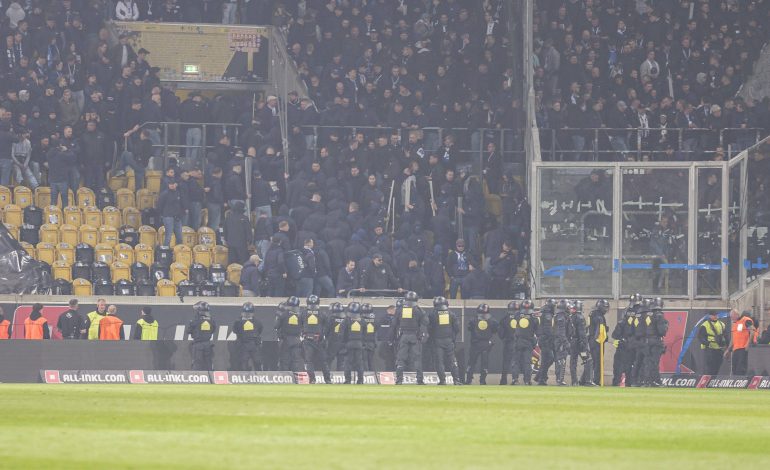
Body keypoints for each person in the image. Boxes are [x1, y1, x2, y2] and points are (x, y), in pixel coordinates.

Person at [391, 291, 428, 385]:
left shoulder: (400, 310)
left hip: (403, 336)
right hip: (415, 336)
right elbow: (425, 323)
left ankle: (399, 380)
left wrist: (392, 338)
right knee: (417, 359)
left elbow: (394, 324)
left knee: (401, 359)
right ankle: (419, 380)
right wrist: (422, 335)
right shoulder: (419, 310)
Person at [428, 296, 461, 385]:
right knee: (452, 361)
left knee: (439, 362)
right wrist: (452, 338)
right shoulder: (452, 314)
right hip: (449, 341)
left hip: (437, 341)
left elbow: (429, 328)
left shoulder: (432, 314)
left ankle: (442, 381)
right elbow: (457, 328)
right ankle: (456, 380)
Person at [465, 303, 498, 385]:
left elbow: (469, 328)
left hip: (475, 344)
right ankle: (482, 381)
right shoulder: (493, 321)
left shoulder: (473, 320)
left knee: (471, 363)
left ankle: (468, 380)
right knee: (484, 364)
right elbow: (495, 330)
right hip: (486, 345)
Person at [301, 295, 330, 383]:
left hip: (308, 339)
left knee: (309, 361)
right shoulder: (322, 313)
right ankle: (327, 380)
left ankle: (312, 379)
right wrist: (323, 335)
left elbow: (299, 324)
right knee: (323, 361)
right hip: (319, 339)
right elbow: (327, 326)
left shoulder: (303, 313)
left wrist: (303, 332)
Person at [612, 294, 640, 386]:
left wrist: (621, 339)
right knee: (630, 367)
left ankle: (617, 383)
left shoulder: (623, 321)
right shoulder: (640, 318)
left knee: (619, 367)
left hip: (624, 346)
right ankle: (630, 383)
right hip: (633, 346)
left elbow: (615, 335)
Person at [642, 298, 668, 386]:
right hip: (656, 341)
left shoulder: (647, 315)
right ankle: (655, 381)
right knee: (654, 363)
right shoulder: (659, 315)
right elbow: (662, 331)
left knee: (648, 362)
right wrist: (666, 325)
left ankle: (646, 381)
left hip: (646, 341)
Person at [511, 300, 538, 385]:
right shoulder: (534, 318)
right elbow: (536, 331)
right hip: (528, 342)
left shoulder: (517, 315)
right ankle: (527, 380)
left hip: (518, 341)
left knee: (516, 362)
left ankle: (515, 380)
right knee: (527, 362)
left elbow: (513, 325)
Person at [568, 300, 594, 386]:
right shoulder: (580, 317)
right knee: (588, 360)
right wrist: (584, 345)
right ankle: (588, 381)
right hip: (580, 344)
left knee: (573, 362)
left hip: (572, 343)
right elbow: (582, 333)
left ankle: (574, 381)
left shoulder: (569, 317)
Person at [275, 296, 304, 373]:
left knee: (285, 360)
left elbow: (276, 326)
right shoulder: (301, 315)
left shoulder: (284, 314)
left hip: (285, 340)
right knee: (296, 360)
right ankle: (297, 378)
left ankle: (284, 378)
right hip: (297, 340)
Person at [232, 302, 263, 371]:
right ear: (242, 312)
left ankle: (260, 378)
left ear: (252, 313)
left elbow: (260, 330)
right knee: (243, 362)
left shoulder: (257, 321)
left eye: (249, 313)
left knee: (257, 362)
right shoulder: (238, 322)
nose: (247, 314)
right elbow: (235, 330)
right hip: (243, 345)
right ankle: (244, 378)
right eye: (245, 313)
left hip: (254, 344)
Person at [188, 301, 216, 371]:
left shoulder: (195, 321)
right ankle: (211, 380)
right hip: (208, 344)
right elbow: (213, 330)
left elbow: (188, 331)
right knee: (208, 363)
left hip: (198, 345)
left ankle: (196, 379)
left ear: (199, 311)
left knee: (197, 363)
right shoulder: (211, 320)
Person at [587, 299, 610, 385]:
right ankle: (596, 380)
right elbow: (599, 329)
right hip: (597, 341)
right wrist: (601, 339)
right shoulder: (599, 316)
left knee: (593, 361)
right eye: (605, 307)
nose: (606, 309)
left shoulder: (592, 313)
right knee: (598, 362)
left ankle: (585, 379)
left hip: (591, 339)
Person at [698, 311, 728, 375]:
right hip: (709, 349)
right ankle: (707, 382)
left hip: (719, 349)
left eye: (716, 315)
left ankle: (713, 380)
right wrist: (707, 343)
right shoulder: (705, 325)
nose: (715, 316)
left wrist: (727, 347)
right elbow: (700, 337)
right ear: (709, 316)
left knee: (717, 366)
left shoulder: (722, 324)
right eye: (713, 315)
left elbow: (726, 336)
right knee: (709, 367)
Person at [726, 310, 754, 376]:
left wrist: (748, 344)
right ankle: (736, 381)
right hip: (735, 349)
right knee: (734, 367)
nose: (731, 318)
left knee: (741, 367)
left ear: (736, 314)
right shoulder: (734, 324)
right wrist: (728, 350)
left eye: (732, 316)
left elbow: (752, 332)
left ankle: (741, 382)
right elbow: (732, 339)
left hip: (743, 348)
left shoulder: (746, 320)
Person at [498, 300, 520, 385]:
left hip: (508, 342)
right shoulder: (521, 318)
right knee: (517, 362)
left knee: (506, 362)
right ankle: (516, 379)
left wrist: (504, 339)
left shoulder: (504, 319)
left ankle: (503, 380)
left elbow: (501, 333)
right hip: (518, 342)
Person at [343, 302, 365, 384]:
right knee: (359, 362)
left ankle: (348, 380)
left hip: (349, 343)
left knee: (348, 362)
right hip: (359, 343)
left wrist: (343, 344)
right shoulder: (362, 320)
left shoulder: (347, 320)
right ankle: (360, 380)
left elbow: (342, 332)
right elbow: (365, 333)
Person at [157, 179, 184, 247]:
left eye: (173, 184)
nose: (172, 185)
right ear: (168, 185)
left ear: (176, 184)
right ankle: (165, 251)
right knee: (168, 235)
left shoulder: (179, 192)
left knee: (180, 236)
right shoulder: (164, 194)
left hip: (177, 217)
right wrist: (162, 214)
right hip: (168, 216)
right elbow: (160, 205)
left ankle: (179, 252)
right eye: (170, 184)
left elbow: (181, 204)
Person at [224, 201, 252, 265]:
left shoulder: (228, 218)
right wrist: (249, 241)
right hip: (241, 244)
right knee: (242, 261)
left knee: (231, 262)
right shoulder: (244, 218)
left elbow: (225, 230)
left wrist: (226, 239)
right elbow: (248, 230)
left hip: (230, 243)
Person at [536, 299, 555, 385]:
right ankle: (541, 379)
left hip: (543, 339)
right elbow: (548, 330)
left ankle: (540, 377)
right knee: (548, 359)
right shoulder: (547, 315)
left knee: (547, 360)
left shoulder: (545, 313)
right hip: (546, 340)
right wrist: (552, 338)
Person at [552, 300, 570, 386]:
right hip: (560, 342)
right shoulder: (561, 317)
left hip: (559, 341)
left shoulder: (561, 316)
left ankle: (559, 379)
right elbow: (561, 332)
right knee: (561, 360)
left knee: (560, 360)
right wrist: (566, 342)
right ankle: (560, 379)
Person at [325, 302, 347, 370]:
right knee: (341, 361)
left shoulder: (331, 319)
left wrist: (326, 338)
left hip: (333, 342)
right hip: (343, 342)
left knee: (328, 360)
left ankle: (327, 376)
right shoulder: (347, 319)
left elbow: (326, 330)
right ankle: (342, 377)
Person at [360, 303, 377, 371]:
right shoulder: (374, 320)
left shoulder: (361, 320)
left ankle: (366, 376)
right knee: (371, 361)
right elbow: (376, 329)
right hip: (372, 342)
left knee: (364, 361)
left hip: (363, 342)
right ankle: (372, 376)